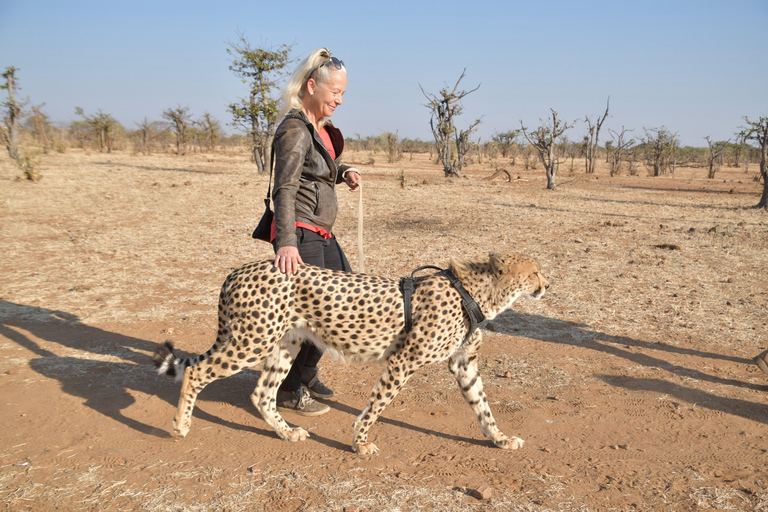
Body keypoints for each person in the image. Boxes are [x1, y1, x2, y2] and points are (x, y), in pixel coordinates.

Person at [269, 48, 361, 416]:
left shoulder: (317, 129)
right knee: (313, 315)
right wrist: (286, 243)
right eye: (334, 92)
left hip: (321, 232)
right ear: (311, 86)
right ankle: (288, 388)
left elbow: (321, 169)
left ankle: (305, 373)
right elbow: (285, 188)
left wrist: (345, 172)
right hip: (302, 232)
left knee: (341, 307)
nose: (339, 100)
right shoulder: (294, 128)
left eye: (342, 93)